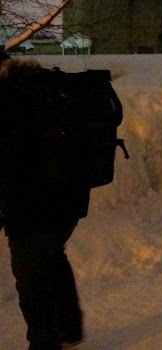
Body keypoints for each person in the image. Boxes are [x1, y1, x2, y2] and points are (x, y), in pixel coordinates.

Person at [0, 58, 87, 349]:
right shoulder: (49, 92)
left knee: (31, 283)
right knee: (51, 258)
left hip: (32, 207)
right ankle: (69, 329)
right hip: (69, 201)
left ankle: (45, 343)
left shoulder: (10, 104)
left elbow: (11, 164)